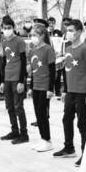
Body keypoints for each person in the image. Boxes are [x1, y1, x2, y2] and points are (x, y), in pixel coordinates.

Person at [53, 19, 86, 166]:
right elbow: (67, 70)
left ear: (79, 32)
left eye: (71, 30)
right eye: (68, 30)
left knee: (82, 123)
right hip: (71, 91)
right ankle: (69, 148)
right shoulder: (68, 48)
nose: (68, 33)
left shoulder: (85, 49)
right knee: (66, 119)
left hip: (83, 92)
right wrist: (65, 90)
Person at [0, 16, 29, 145]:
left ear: (13, 28)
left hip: (17, 79)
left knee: (18, 107)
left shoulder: (19, 41)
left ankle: (24, 133)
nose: (7, 30)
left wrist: (22, 80)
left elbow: (23, 61)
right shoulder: (4, 42)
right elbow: (3, 62)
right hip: (7, 78)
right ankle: (14, 130)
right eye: (5, 28)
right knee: (9, 107)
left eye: (9, 28)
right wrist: (2, 81)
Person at [28, 23, 55, 152]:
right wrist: (30, 87)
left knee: (43, 114)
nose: (33, 37)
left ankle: (48, 140)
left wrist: (51, 89)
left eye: (35, 35)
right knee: (38, 114)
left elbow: (52, 70)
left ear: (42, 35)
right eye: (31, 35)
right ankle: (43, 138)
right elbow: (33, 71)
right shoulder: (33, 50)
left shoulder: (48, 49)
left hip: (45, 86)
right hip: (36, 86)